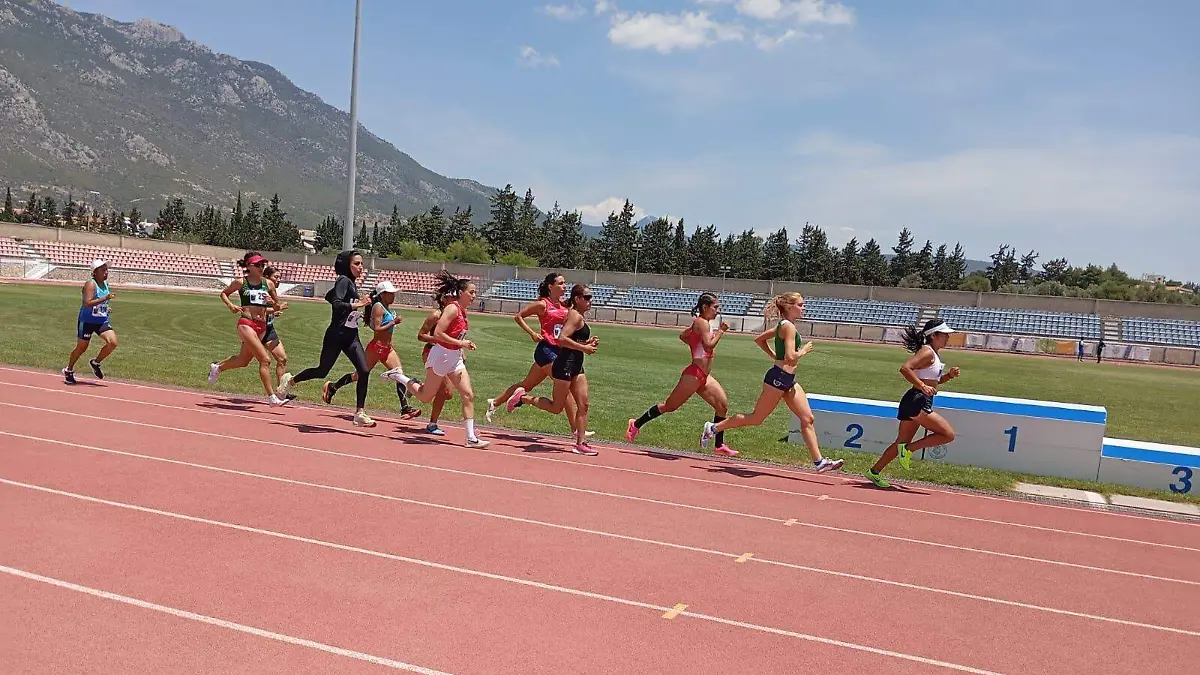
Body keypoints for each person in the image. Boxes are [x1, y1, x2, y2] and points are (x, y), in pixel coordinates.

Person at [699, 292, 844, 473]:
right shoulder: (788, 327)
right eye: (800, 304)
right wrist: (804, 351)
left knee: (808, 418)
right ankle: (713, 428)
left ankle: (819, 462)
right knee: (756, 418)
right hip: (777, 379)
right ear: (790, 307)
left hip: (789, 380)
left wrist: (776, 356)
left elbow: (759, 339)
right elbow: (791, 357)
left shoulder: (784, 326)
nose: (803, 308)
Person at [385, 270, 488, 448]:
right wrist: (461, 343)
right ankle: (399, 376)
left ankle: (471, 437)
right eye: (471, 292)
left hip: (454, 358)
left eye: (475, 293)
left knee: (468, 394)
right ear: (461, 293)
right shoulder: (452, 308)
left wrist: (462, 346)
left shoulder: (462, 311)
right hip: (440, 356)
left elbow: (455, 334)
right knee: (425, 396)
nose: (474, 296)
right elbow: (439, 333)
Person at [627, 292, 736, 456]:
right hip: (693, 374)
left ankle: (718, 444)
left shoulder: (701, 323)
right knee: (669, 406)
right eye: (715, 307)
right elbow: (708, 346)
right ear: (705, 307)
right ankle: (635, 424)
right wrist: (721, 331)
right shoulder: (702, 323)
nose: (717, 311)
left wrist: (694, 341)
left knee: (722, 406)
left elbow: (684, 336)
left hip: (704, 376)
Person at [484, 272, 590, 438]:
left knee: (526, 384)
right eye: (561, 283)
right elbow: (518, 317)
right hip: (546, 350)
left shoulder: (564, 305)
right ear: (550, 286)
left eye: (565, 283)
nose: (564, 286)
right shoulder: (543, 304)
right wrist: (532, 333)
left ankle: (495, 402)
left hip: (559, 350)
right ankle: (575, 429)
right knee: (564, 385)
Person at [276, 250, 376, 426]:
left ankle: (359, 412)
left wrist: (358, 309)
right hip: (336, 335)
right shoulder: (343, 280)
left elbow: (330, 296)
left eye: (362, 264)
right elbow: (337, 304)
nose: (361, 267)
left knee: (364, 370)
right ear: (347, 265)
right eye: (357, 264)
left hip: (351, 336)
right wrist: (357, 304)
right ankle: (290, 380)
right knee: (322, 371)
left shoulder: (350, 283)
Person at [864, 319, 960, 488]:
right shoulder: (927, 352)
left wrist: (949, 376)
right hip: (917, 400)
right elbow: (905, 368)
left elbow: (933, 382)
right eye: (944, 334)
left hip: (916, 399)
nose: (947, 338)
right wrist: (922, 386)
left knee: (900, 442)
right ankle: (909, 450)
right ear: (934, 335)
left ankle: (874, 471)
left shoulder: (933, 353)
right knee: (948, 434)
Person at [505, 284, 599, 456]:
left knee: (584, 404)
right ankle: (523, 398)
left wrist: (587, 343)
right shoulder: (574, 316)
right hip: (564, 365)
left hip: (577, 365)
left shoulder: (579, 316)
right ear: (577, 299)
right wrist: (584, 348)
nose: (590, 301)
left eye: (590, 297)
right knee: (557, 408)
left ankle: (580, 443)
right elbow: (562, 339)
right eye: (587, 297)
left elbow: (572, 340)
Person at [321, 280, 421, 419]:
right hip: (376, 349)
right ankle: (333, 387)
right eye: (391, 293)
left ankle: (405, 408)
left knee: (399, 374)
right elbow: (376, 328)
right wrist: (393, 322)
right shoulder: (378, 307)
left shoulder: (387, 306)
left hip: (387, 349)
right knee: (358, 375)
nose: (394, 296)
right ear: (383, 294)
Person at [208, 252, 289, 406]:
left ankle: (218, 367)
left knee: (243, 360)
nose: (261, 267)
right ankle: (272, 397)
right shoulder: (241, 282)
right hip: (246, 323)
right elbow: (224, 293)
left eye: (263, 265)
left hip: (262, 326)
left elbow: (277, 305)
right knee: (265, 360)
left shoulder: (268, 284)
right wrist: (231, 305)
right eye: (258, 265)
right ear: (249, 266)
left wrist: (273, 302)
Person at [64, 259, 119, 384]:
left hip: (101, 321)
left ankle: (96, 362)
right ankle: (69, 369)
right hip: (87, 321)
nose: (106, 272)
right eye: (103, 270)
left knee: (113, 342)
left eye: (107, 270)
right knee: (82, 348)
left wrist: (106, 307)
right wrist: (105, 298)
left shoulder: (105, 284)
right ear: (94, 272)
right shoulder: (90, 284)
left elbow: (100, 303)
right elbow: (87, 303)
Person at [414, 291, 456, 436]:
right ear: (444, 298)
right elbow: (421, 335)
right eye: (452, 297)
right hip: (432, 353)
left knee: (448, 394)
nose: (455, 300)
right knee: (444, 391)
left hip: (448, 354)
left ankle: (416, 385)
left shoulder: (455, 315)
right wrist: (437, 340)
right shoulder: (436, 315)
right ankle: (432, 424)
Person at [261, 266, 290, 392]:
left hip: (269, 329)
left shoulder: (272, 292)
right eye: (276, 277)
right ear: (267, 278)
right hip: (255, 330)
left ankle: (281, 391)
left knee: (282, 359)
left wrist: (273, 313)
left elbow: (267, 311)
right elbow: (257, 311)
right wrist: (278, 308)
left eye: (280, 277)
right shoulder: (261, 292)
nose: (279, 280)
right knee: (242, 360)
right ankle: (218, 367)